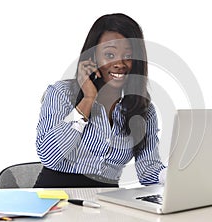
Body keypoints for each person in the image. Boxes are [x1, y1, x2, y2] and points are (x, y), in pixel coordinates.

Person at [34, 13, 166, 188]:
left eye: (128, 55)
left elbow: (148, 170)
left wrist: (178, 177)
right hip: (55, 198)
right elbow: (49, 155)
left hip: (106, 203)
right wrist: (88, 99)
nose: (120, 63)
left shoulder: (143, 109)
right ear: (93, 57)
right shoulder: (61, 94)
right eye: (110, 55)